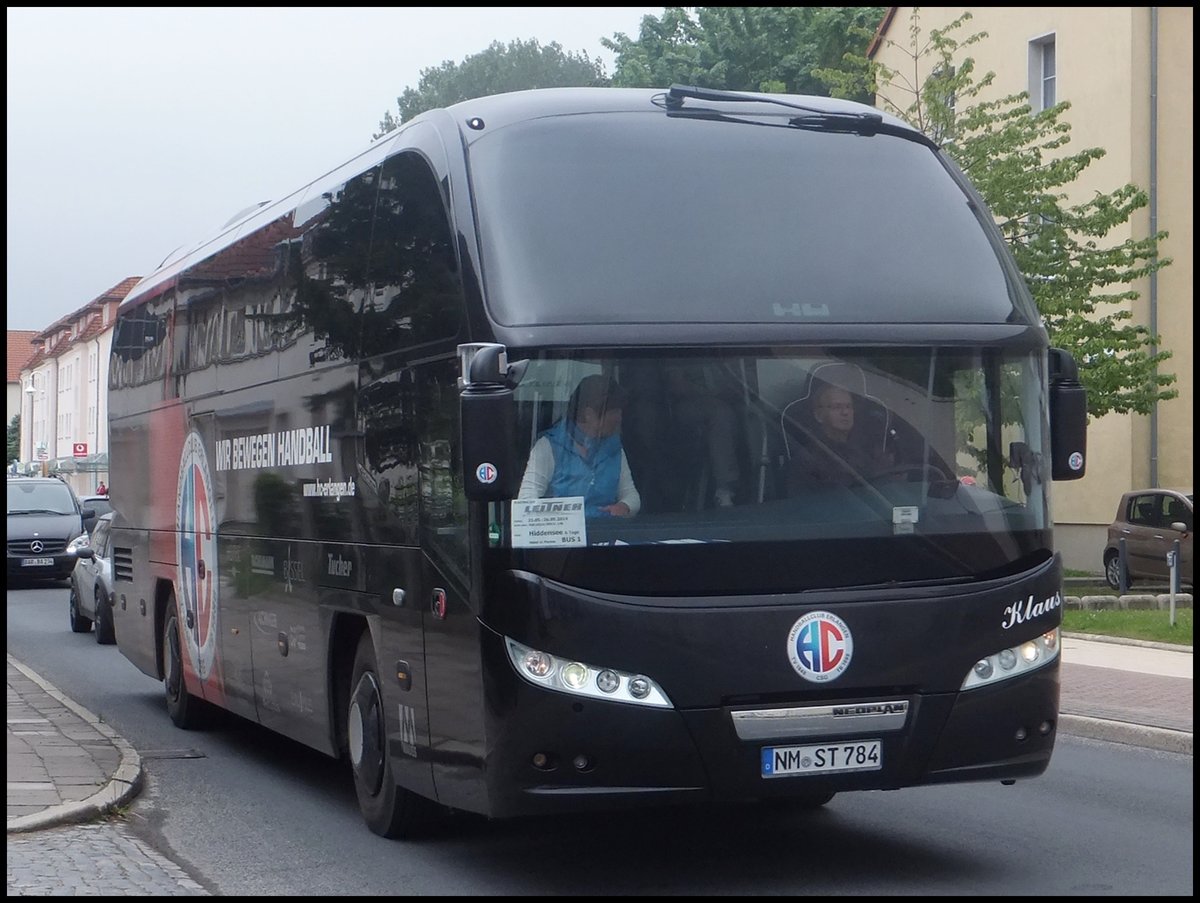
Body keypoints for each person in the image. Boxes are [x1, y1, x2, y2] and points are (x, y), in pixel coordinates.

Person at [517, 374, 641, 517]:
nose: (619, 418)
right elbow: (526, 501)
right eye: (614, 412)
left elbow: (631, 495)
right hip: (562, 536)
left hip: (607, 534)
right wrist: (559, 518)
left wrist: (624, 506)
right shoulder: (548, 446)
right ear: (589, 414)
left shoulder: (614, 447)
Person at [787, 382, 892, 490]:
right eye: (837, 407)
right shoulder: (807, 459)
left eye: (849, 406)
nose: (845, 412)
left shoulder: (867, 450)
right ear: (819, 415)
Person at [664, 363, 740, 507]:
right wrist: (710, 392)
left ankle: (763, 486)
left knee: (754, 417)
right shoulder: (677, 343)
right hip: (689, 403)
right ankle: (724, 489)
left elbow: (747, 380)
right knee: (721, 414)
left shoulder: (733, 343)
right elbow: (677, 385)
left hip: (734, 401)